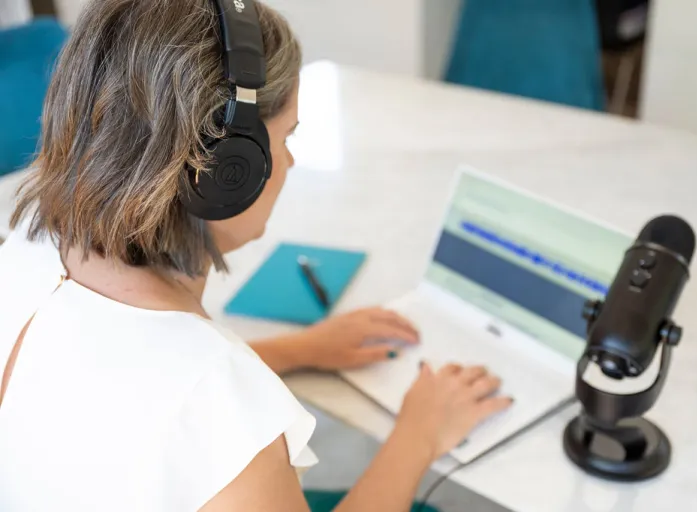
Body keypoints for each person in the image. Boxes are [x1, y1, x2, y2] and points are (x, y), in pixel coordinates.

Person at [0, 1, 512, 510]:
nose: (288, 160)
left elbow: (132, 396)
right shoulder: (222, 412)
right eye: (285, 137)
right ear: (228, 170)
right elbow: (192, 407)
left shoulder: (23, 253)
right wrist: (417, 435)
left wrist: (301, 349)